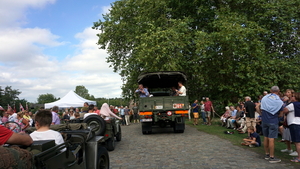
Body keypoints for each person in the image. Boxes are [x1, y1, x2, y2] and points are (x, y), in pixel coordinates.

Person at [260, 86, 284, 163]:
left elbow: (258, 106)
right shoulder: (279, 101)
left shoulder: (265, 98)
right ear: (278, 91)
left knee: (265, 137)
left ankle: (266, 154)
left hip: (265, 120)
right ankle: (272, 156)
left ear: (270, 90)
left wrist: (261, 114)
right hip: (273, 121)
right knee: (271, 139)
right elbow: (281, 113)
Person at [283, 92, 300, 162]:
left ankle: (299, 157)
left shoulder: (292, 104)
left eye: (292, 96)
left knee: (297, 142)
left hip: (294, 123)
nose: (291, 97)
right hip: (298, 122)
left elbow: (284, 110)